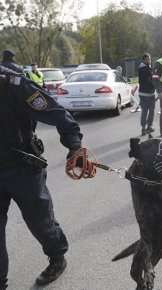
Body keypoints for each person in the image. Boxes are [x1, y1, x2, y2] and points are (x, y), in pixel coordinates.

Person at [0, 65, 91, 289]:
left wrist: (75, 146)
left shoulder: (14, 85)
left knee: (41, 223)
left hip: (22, 168)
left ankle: (57, 257)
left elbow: (58, 114)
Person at [138, 53, 156, 136]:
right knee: (145, 112)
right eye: (148, 59)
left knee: (152, 111)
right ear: (144, 60)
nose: (149, 60)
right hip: (144, 94)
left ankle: (149, 127)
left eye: (150, 59)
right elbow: (150, 80)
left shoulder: (148, 68)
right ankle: (143, 128)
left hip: (151, 94)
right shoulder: (143, 69)